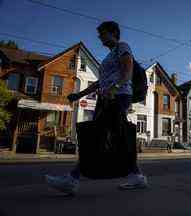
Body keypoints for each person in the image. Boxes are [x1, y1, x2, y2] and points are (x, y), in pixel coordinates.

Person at [45, 21, 148, 195]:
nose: (100, 37)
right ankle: (136, 176)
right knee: (115, 138)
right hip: (107, 98)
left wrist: (115, 89)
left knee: (96, 137)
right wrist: (80, 94)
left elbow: (128, 68)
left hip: (118, 96)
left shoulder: (122, 47)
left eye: (103, 33)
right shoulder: (109, 57)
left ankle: (72, 179)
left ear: (113, 32)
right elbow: (101, 82)